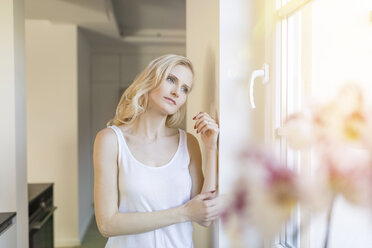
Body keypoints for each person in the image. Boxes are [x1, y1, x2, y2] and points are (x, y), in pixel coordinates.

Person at [93, 54, 221, 248]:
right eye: (171, 79)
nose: (177, 92)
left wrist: (211, 148)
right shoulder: (110, 140)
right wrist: (183, 213)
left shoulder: (189, 143)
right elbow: (107, 225)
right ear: (151, 79)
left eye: (185, 89)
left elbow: (205, 217)